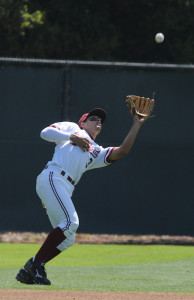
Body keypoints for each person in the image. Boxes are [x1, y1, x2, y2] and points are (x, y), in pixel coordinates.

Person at [16, 107, 146, 285]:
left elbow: (122, 150)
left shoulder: (97, 151)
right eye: (93, 118)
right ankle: (36, 265)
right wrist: (72, 137)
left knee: (68, 238)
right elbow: (44, 132)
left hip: (65, 187)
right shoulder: (72, 128)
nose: (98, 121)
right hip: (53, 177)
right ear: (82, 122)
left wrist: (137, 124)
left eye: (100, 120)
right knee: (71, 222)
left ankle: (30, 269)